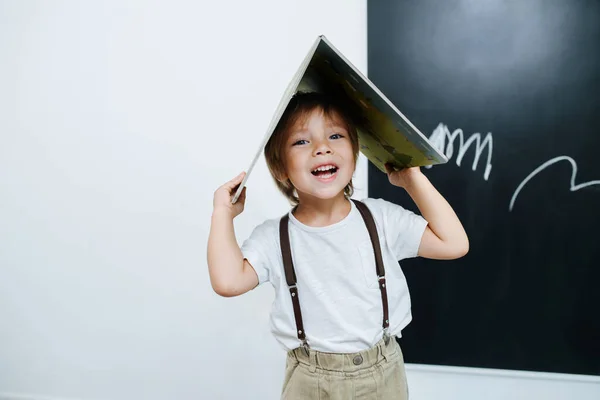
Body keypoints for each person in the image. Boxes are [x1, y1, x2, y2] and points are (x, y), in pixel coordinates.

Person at [207, 91, 469, 399]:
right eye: (302, 141)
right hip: (310, 378)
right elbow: (227, 282)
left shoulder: (380, 218)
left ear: (355, 152)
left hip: (382, 371)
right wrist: (222, 214)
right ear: (281, 168)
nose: (322, 148)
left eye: (335, 135)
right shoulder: (273, 238)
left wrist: (412, 179)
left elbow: (454, 244)